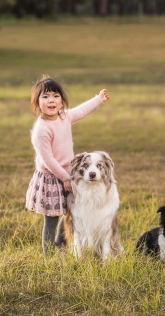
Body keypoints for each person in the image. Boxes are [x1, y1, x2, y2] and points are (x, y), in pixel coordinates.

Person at [25, 75, 109, 256]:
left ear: (62, 101)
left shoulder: (64, 116)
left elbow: (81, 111)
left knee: (69, 213)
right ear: (37, 103)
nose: (51, 100)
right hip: (52, 178)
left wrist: (98, 99)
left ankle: (59, 244)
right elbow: (48, 159)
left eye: (55, 96)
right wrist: (65, 178)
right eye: (45, 97)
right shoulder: (41, 130)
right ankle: (49, 256)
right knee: (51, 219)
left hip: (68, 176)